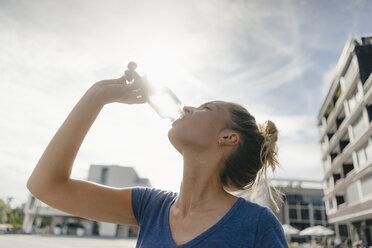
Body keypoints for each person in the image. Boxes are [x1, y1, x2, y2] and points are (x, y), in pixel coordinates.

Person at [27, 71, 288, 247]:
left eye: (205, 108)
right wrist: (98, 95)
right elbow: (46, 186)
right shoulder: (150, 206)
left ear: (228, 138)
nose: (187, 108)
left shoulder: (257, 225)